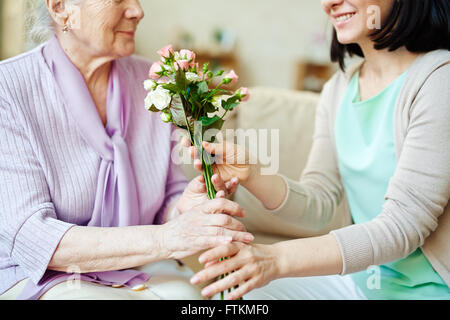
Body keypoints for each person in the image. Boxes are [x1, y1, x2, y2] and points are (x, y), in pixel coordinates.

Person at [188, 0, 450, 300]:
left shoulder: (440, 79)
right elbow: (320, 204)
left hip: (430, 291)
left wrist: (275, 260)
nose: (329, 3)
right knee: (238, 298)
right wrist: (253, 172)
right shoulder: (339, 88)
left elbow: (403, 225)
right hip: (359, 284)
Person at [0, 0, 253, 300]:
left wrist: (184, 208)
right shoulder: (9, 88)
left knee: (191, 298)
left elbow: (168, 195)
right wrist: (167, 239)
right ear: (60, 8)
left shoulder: (153, 81)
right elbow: (32, 236)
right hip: (36, 272)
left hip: (135, 266)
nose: (137, 10)